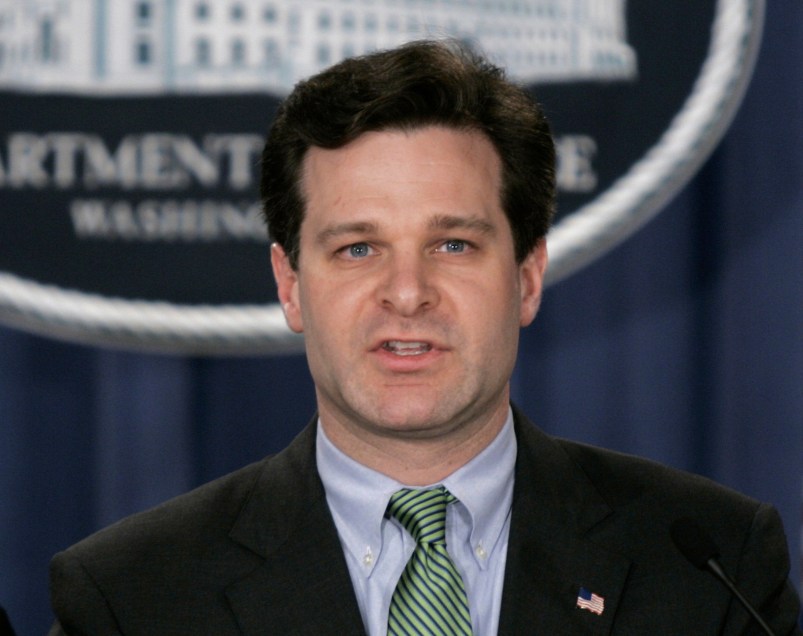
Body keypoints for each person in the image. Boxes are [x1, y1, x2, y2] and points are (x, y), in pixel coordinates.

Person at [49, 40, 801, 635]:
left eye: (452, 245)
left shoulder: (709, 565)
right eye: (356, 248)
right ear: (289, 285)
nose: (406, 294)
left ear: (527, 277)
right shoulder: (133, 596)